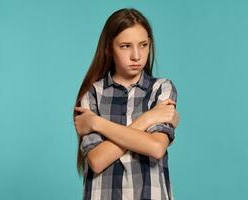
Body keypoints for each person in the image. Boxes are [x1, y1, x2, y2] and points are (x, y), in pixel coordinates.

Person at [73, 8, 179, 200]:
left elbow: (156, 148)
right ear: (109, 48)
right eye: (125, 46)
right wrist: (149, 118)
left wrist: (97, 123)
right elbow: (97, 160)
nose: (136, 56)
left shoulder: (161, 89)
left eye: (143, 45)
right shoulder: (92, 94)